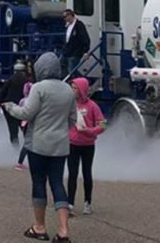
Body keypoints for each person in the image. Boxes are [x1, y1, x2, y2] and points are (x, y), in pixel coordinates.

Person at [3, 52, 76, 242]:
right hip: (60, 145)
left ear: (40, 69)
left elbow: (26, 113)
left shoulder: (38, 88)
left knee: (38, 183)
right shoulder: (68, 89)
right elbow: (73, 119)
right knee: (58, 183)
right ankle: (63, 231)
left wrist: (10, 107)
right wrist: (60, 129)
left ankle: (40, 227)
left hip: (38, 144)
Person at [67, 77, 106, 216]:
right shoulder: (69, 104)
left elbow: (103, 125)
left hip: (88, 145)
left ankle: (87, 202)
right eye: (71, 87)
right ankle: (70, 203)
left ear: (82, 89)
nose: (72, 90)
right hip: (72, 144)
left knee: (86, 173)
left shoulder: (92, 106)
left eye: (75, 88)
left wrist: (90, 131)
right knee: (72, 174)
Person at [3, 63, 29, 145]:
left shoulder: (10, 81)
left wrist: (3, 104)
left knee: (13, 131)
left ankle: (15, 149)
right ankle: (27, 147)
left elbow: (2, 93)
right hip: (23, 108)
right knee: (26, 130)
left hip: (11, 109)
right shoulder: (27, 82)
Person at [62, 9, 90, 77]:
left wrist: (85, 51)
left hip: (76, 52)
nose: (64, 18)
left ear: (70, 15)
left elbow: (85, 38)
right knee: (63, 66)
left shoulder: (79, 25)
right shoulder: (68, 26)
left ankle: (82, 81)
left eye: (65, 16)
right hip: (67, 52)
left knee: (72, 70)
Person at [14, 81, 34, 171]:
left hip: (23, 123)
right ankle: (20, 162)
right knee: (28, 144)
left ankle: (21, 162)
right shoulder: (33, 100)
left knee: (27, 143)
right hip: (30, 123)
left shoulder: (22, 100)